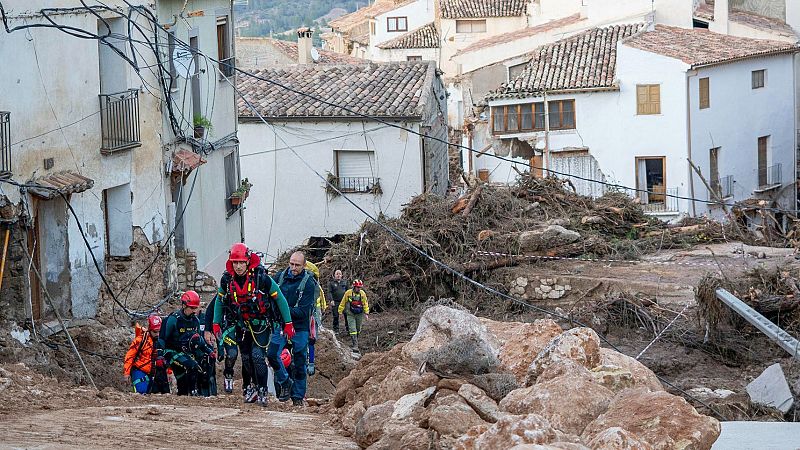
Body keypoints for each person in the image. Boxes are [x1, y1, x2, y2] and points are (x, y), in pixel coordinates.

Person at [213, 243, 294, 406]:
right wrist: (216, 323)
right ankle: (253, 388)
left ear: (248, 262)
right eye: (235, 262)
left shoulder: (261, 278)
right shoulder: (227, 279)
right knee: (246, 358)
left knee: (257, 357)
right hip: (241, 325)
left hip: (260, 325)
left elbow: (280, 299)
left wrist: (288, 323)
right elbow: (219, 302)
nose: (238, 266)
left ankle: (263, 389)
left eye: (241, 262)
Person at [270, 251, 317, 406]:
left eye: (297, 265)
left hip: (300, 327)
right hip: (281, 325)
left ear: (304, 266)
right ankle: (285, 382)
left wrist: (282, 309)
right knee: (272, 355)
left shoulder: (309, 283)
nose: (293, 267)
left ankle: (297, 397)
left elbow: (303, 312)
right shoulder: (279, 278)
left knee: (299, 361)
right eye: (291, 264)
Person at [157, 291, 212, 396]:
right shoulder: (173, 319)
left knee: (199, 366)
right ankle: (192, 393)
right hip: (171, 352)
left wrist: (209, 352)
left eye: (195, 308)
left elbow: (198, 339)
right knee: (192, 366)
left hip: (185, 353)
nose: (194, 311)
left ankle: (185, 395)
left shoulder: (195, 321)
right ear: (184, 305)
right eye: (191, 308)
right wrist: (159, 356)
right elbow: (162, 339)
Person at [123, 314, 162, 394]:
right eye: (155, 332)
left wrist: (169, 371)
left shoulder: (160, 341)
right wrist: (126, 373)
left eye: (159, 331)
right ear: (150, 329)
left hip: (153, 372)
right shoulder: (140, 340)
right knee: (141, 393)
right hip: (139, 370)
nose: (157, 334)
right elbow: (129, 356)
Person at [304, 260, 326, 376]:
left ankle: (310, 362)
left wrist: (322, 307)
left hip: (312, 313)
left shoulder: (313, 286)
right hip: (306, 315)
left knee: (311, 339)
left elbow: (319, 296)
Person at [338, 280, 369, 353]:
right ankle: (355, 345)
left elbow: (365, 303)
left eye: (360, 287)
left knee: (358, 329)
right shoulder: (348, 293)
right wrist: (340, 312)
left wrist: (366, 313)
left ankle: (356, 341)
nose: (359, 289)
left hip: (359, 314)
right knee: (352, 329)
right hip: (350, 314)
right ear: (354, 287)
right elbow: (343, 303)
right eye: (357, 287)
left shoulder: (362, 294)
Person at [327, 269, 349, 334]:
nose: (338, 275)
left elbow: (348, 291)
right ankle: (336, 329)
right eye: (337, 274)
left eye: (339, 274)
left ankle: (348, 329)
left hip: (344, 302)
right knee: (336, 316)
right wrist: (331, 300)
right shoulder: (331, 283)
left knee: (346, 315)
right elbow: (329, 292)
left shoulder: (345, 282)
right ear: (334, 275)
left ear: (342, 275)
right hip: (335, 301)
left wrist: (349, 300)